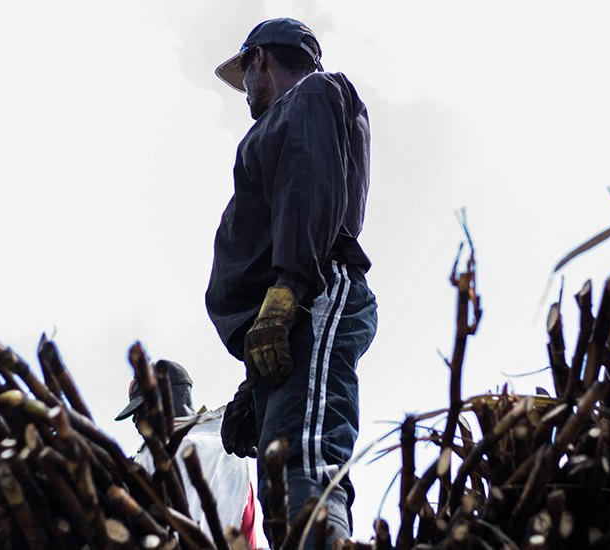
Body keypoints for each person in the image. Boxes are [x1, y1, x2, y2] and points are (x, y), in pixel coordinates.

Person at [208, 17, 378, 548]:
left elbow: (309, 181)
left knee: (304, 458)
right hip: (289, 313)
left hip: (309, 295)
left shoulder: (311, 94)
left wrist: (286, 293)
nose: (246, 92)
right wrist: (254, 390)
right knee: (282, 471)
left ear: (259, 58)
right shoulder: (296, 109)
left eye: (246, 74)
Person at [115, 359, 257, 547]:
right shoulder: (232, 451)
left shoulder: (155, 456)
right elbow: (248, 534)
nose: (135, 419)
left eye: (141, 408)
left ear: (165, 398)